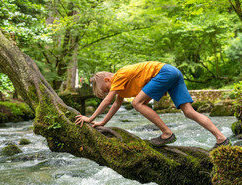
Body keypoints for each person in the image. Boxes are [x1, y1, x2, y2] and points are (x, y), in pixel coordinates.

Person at [75, 61, 230, 149]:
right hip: (173, 72)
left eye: (106, 89)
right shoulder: (121, 87)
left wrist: (90, 118)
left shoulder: (119, 76)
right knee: (189, 112)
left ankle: (167, 134)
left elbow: (108, 101)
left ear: (108, 80)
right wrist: (102, 122)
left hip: (165, 72)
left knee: (136, 103)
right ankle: (221, 138)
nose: (110, 92)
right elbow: (115, 106)